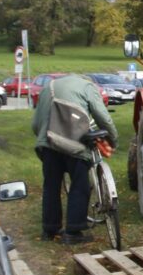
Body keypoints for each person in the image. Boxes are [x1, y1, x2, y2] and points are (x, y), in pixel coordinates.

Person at [31, 74, 118, 244]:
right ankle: (73, 231)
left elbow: (35, 124)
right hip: (74, 144)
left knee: (51, 186)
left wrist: (47, 138)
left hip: (48, 144)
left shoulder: (48, 87)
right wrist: (112, 140)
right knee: (80, 185)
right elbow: (103, 117)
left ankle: (50, 230)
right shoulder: (87, 87)